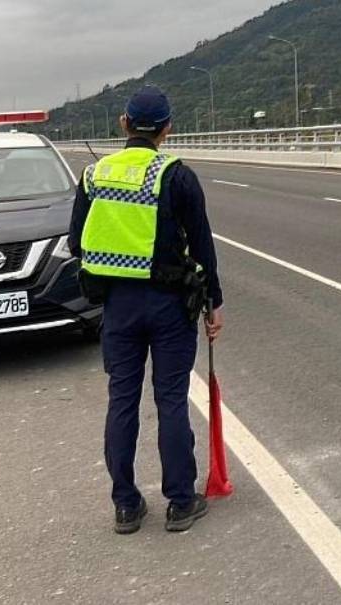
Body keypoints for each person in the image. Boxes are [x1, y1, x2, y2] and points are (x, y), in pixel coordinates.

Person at [68, 85, 224, 535]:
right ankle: (180, 501)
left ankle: (126, 506)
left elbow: (77, 240)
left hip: (117, 306)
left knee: (122, 401)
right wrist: (214, 303)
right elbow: (203, 246)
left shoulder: (94, 176)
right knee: (171, 399)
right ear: (168, 129)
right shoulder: (176, 176)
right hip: (171, 305)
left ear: (123, 124)